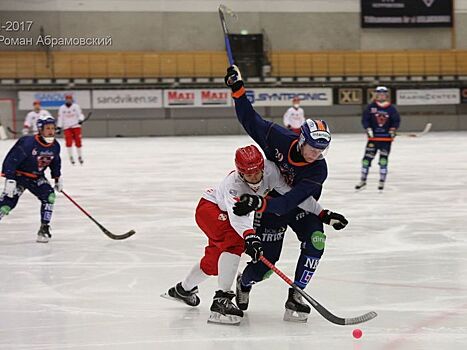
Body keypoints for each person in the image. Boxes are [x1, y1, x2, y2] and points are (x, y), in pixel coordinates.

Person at [224, 65, 348, 323]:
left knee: (316, 240)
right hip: (269, 207)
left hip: (296, 206)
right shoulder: (278, 136)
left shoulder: (318, 170)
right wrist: (238, 90)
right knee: (265, 265)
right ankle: (244, 282)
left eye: (321, 150)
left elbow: (292, 200)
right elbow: (250, 120)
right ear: (301, 140)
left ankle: (297, 294)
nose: (316, 155)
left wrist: (323, 214)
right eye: (313, 148)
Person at [161, 145, 329, 325]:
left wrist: (322, 213)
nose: (254, 178)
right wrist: (250, 236)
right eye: (248, 175)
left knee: (214, 263)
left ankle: (183, 290)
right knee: (235, 244)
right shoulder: (233, 186)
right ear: (240, 173)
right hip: (210, 210)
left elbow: (293, 196)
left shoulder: (271, 171)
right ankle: (221, 300)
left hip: (226, 216)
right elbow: (236, 218)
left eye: (257, 173)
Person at [0, 115, 63, 243]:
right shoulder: (28, 143)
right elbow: (11, 160)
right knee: (7, 204)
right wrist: (10, 179)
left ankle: (44, 228)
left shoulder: (55, 145)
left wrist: (57, 177)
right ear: (40, 129)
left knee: (49, 196)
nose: (51, 131)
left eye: (53, 128)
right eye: (48, 128)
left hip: (36, 178)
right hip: (19, 176)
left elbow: (55, 162)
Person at [355, 86, 401, 191]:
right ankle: (363, 180)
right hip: (373, 140)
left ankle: (381, 181)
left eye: (383, 94)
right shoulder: (371, 107)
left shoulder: (391, 109)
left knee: (383, 160)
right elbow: (365, 120)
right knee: (366, 160)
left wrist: (393, 130)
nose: (381, 96)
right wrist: (368, 129)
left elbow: (396, 121)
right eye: (379, 94)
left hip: (386, 140)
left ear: (386, 95)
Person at [57, 94, 85, 165]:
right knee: (68, 142)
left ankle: (80, 156)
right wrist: (59, 127)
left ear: (72, 100)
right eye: (67, 99)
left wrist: (80, 119)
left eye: (70, 99)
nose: (68, 100)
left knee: (78, 141)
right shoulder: (62, 108)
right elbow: (60, 118)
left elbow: (81, 115)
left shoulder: (76, 106)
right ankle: (71, 156)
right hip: (67, 127)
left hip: (76, 126)